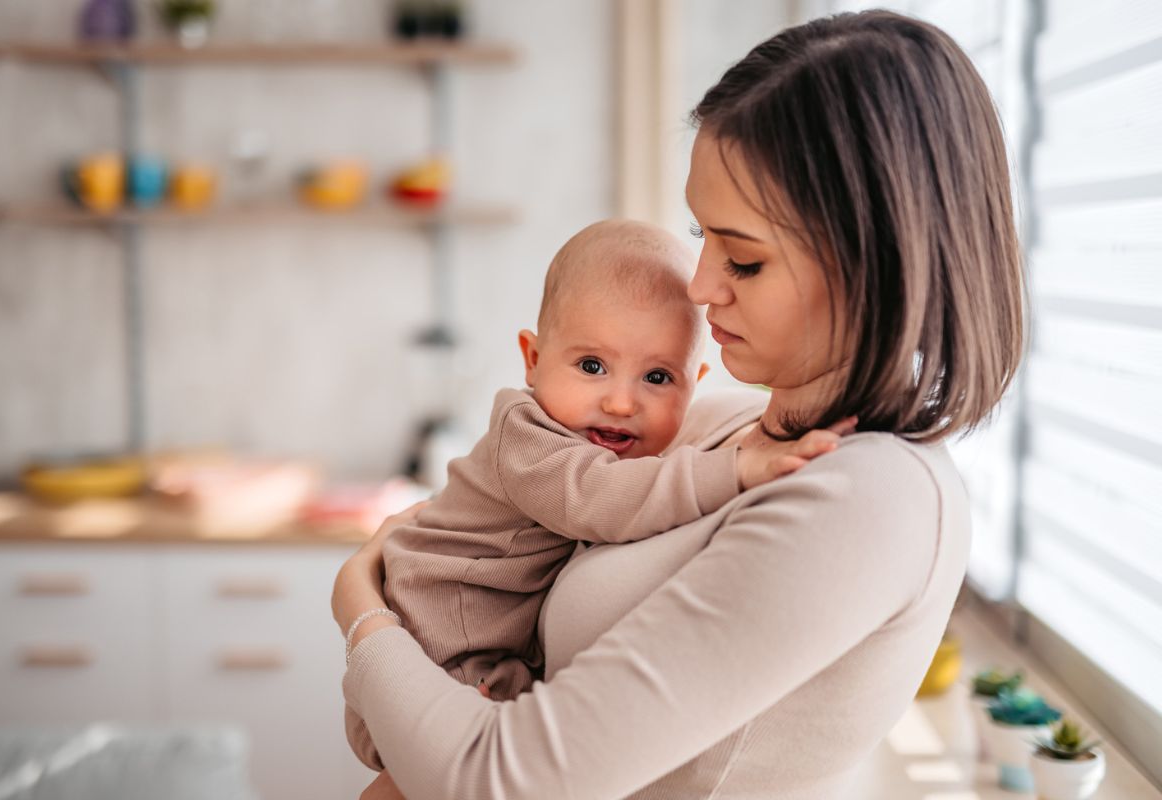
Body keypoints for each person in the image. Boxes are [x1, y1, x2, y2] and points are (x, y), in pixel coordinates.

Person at [332, 9, 1025, 799]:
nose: (699, 288)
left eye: (745, 259)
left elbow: (501, 781)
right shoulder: (729, 428)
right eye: (702, 236)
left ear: (874, 262)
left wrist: (360, 609)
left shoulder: (869, 499)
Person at [344, 218, 851, 771]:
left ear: (695, 382)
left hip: (487, 653)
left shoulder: (665, 435)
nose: (619, 402)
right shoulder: (527, 432)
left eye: (657, 378)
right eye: (592, 366)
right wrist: (739, 470)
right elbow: (600, 497)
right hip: (439, 642)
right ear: (532, 359)